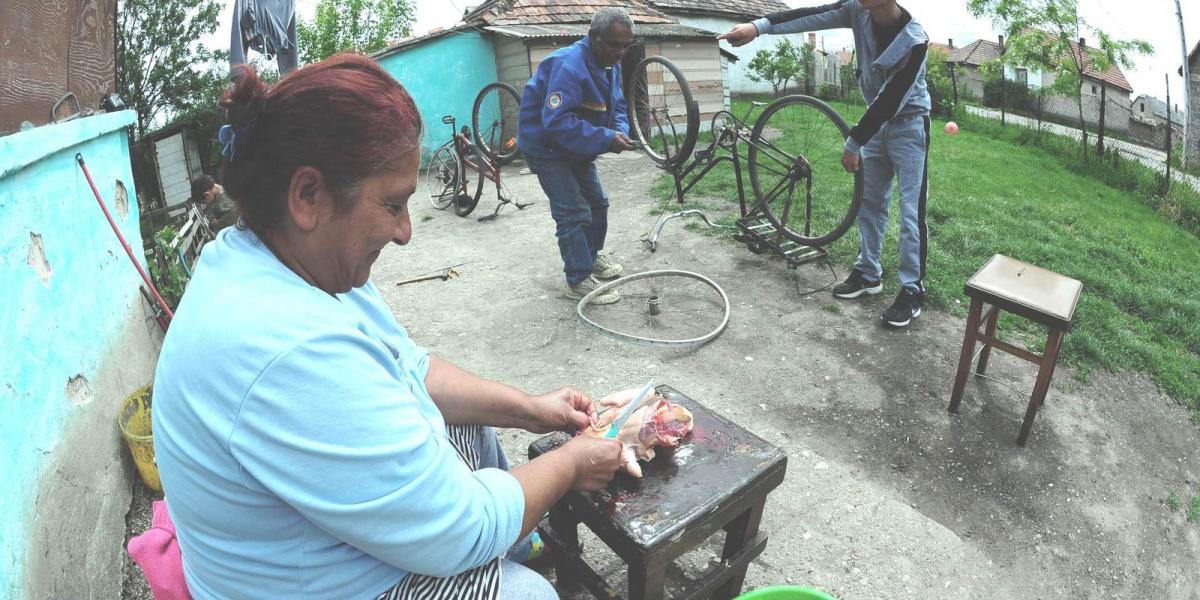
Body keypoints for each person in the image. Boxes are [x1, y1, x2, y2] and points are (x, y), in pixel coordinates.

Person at [152, 54, 623, 600]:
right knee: (529, 595)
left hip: (296, 542)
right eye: (393, 204)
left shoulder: (290, 260)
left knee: (470, 426)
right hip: (297, 589)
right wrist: (569, 465)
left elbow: (410, 366)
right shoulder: (288, 346)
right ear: (308, 196)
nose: (405, 232)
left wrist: (532, 408)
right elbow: (459, 529)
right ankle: (512, 561)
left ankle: (515, 543)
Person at [721, 0, 932, 327]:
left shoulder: (915, 39)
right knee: (870, 203)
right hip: (875, 128)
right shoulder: (857, 11)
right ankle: (868, 272)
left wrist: (854, 142)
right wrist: (758, 27)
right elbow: (808, 16)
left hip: (909, 125)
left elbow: (892, 99)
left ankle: (911, 290)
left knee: (911, 211)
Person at [518, 7, 638, 305]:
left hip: (577, 146)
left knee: (597, 203)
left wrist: (618, 130)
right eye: (614, 44)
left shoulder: (611, 64)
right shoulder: (568, 66)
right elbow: (557, 123)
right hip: (546, 147)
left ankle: (590, 257)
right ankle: (577, 279)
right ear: (593, 37)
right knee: (572, 211)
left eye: (626, 45)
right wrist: (606, 139)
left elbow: (618, 106)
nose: (621, 52)